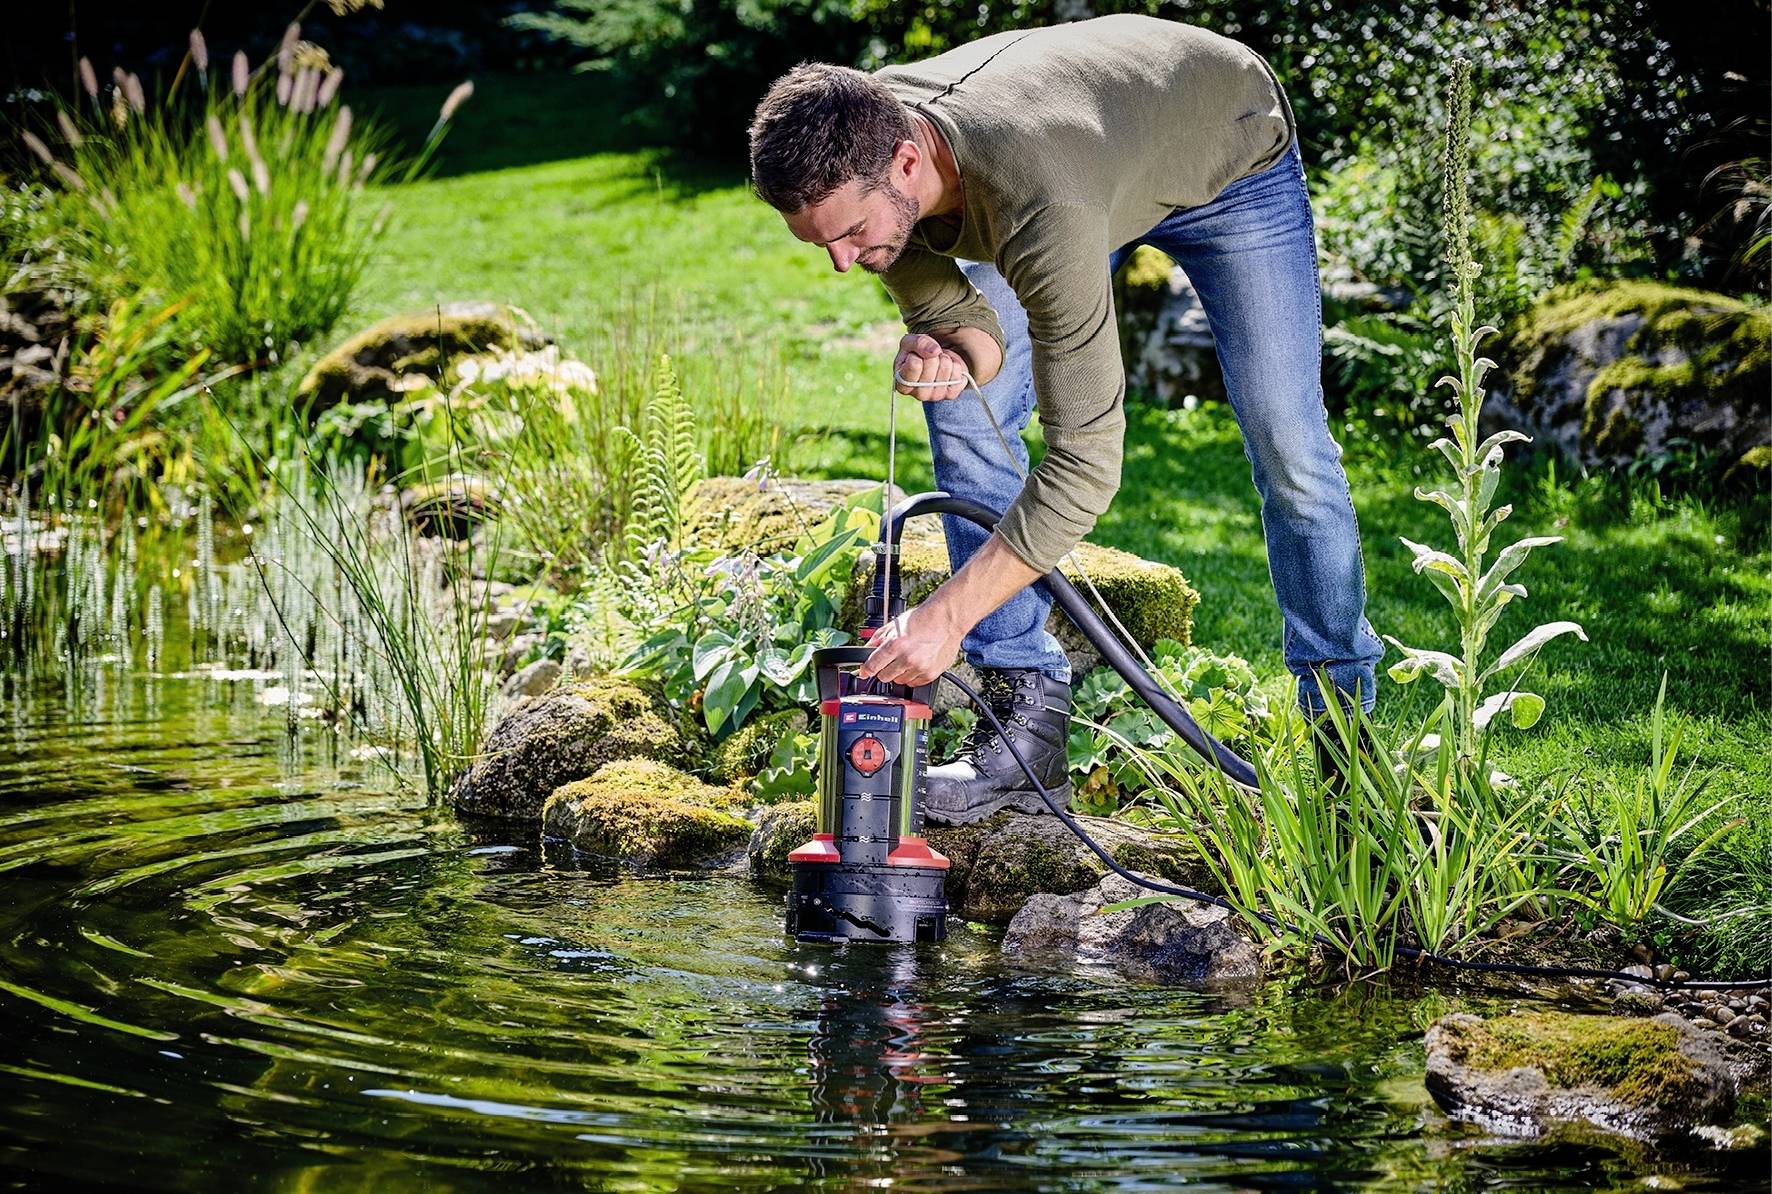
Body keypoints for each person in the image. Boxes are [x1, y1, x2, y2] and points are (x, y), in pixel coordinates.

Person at [747, 14, 1384, 825]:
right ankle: (1024, 729)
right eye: (819, 244)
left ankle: (1346, 736)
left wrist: (943, 616)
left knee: (1288, 443)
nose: (842, 263)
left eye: (850, 236)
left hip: (1224, 147)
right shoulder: (868, 147)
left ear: (908, 163)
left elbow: (1087, 466)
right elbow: (978, 347)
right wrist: (951, 356)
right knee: (963, 419)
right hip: (1092, 143)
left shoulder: (1038, 202)